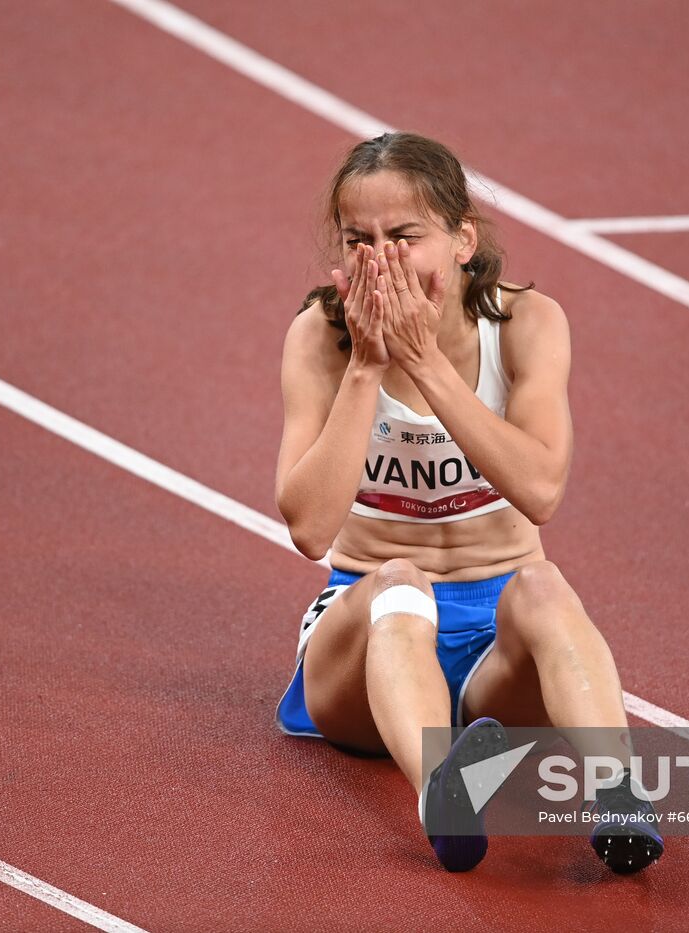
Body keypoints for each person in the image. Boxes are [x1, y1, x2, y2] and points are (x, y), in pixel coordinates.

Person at [273, 131, 662, 875]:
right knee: (399, 581)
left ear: (462, 240)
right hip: (365, 635)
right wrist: (367, 370)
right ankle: (443, 796)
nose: (379, 259)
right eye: (359, 239)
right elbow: (310, 527)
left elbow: (541, 491)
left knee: (545, 586)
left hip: (494, 642)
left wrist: (424, 362)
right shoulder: (320, 337)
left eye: (405, 236)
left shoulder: (526, 327)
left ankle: (618, 795)